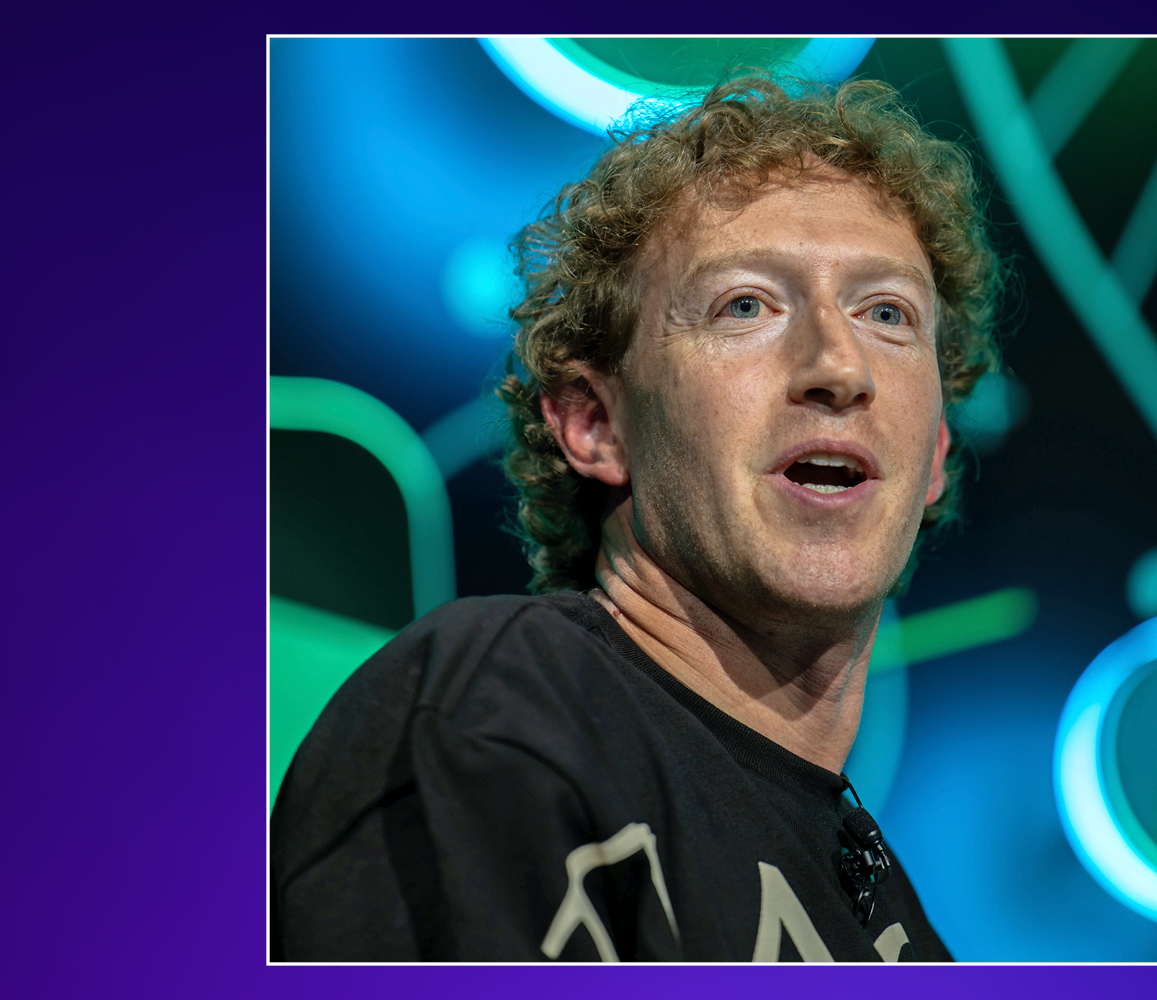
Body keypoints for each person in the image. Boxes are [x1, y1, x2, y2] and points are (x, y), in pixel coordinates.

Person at [270, 74, 1001, 962]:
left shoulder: (906, 934)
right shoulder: (511, 699)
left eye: (886, 312)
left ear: (931, 456)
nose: (839, 366)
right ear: (596, 423)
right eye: (746, 305)